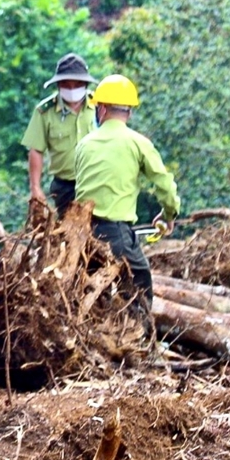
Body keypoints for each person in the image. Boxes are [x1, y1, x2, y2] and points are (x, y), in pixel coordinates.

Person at [72, 74, 179, 315]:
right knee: (139, 284)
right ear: (129, 112)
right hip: (116, 233)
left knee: (88, 292)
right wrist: (169, 214)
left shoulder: (84, 144)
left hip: (82, 233)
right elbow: (165, 185)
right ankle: (140, 344)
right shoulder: (137, 143)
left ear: (102, 109)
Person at [21, 53, 97, 218]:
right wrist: (35, 187)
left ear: (85, 84)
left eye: (77, 84)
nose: (72, 89)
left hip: (96, 182)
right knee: (68, 232)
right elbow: (36, 150)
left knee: (100, 231)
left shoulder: (99, 106)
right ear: (58, 85)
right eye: (66, 85)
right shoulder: (45, 111)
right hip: (65, 186)